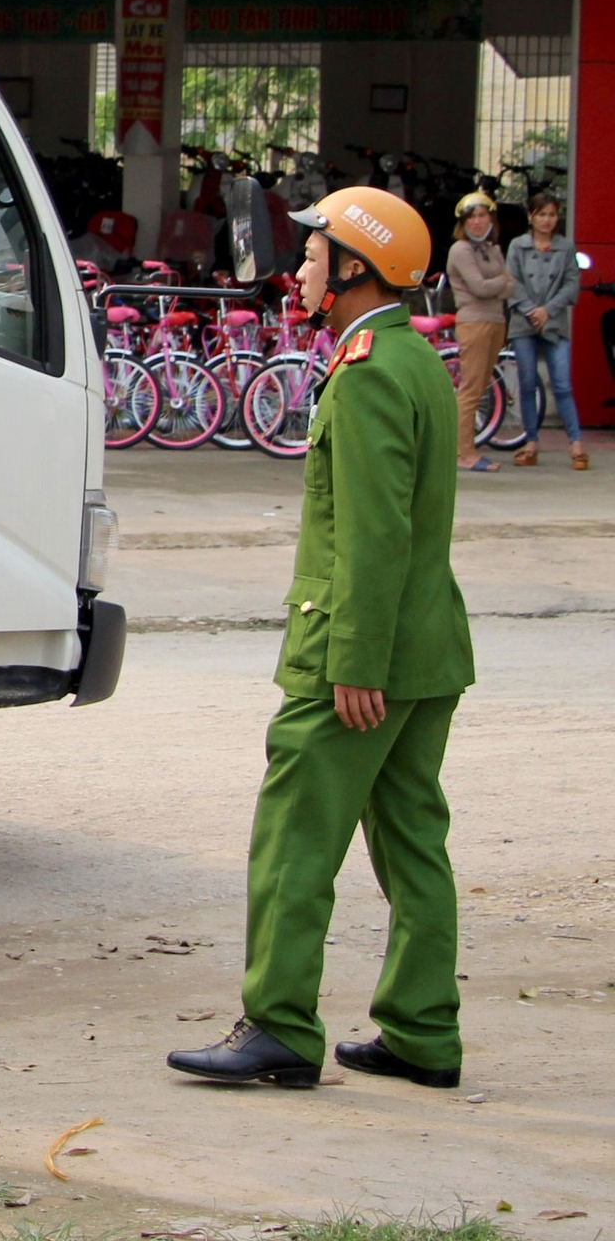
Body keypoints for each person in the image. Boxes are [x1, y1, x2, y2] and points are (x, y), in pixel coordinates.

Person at [169, 186, 475, 1092]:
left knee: (295, 841)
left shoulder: (371, 371)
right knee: (413, 839)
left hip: (362, 654)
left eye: (312, 253)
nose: (297, 267)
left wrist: (352, 663)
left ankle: (280, 1026)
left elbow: (375, 536)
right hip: (429, 652)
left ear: (354, 268)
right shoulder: (415, 360)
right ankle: (423, 1031)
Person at [504, 190, 587, 470]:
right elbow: (511, 282)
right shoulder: (517, 245)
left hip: (554, 322)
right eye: (542, 214)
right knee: (527, 383)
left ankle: (575, 444)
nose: (547, 220)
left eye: (552, 214)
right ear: (531, 216)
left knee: (562, 384)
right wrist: (531, 310)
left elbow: (571, 284)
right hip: (523, 322)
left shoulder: (566, 247)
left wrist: (547, 310)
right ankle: (531, 442)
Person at [446, 192, 510, 473]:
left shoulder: (492, 248)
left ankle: (468, 447)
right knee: (471, 389)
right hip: (474, 321)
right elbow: (479, 287)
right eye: (471, 217)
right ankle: (464, 453)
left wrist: (497, 283)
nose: (477, 221)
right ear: (463, 222)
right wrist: (502, 282)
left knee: (482, 386)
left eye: (482, 215)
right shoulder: (460, 250)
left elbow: (510, 286)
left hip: (496, 320)